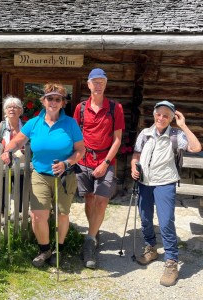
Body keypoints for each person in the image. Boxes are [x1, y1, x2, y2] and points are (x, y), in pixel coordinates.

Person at [1, 83, 85, 267]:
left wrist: (66, 163)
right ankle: (44, 249)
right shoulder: (34, 123)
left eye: (58, 99)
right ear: (43, 101)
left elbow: (80, 150)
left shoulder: (70, 124)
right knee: (38, 215)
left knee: (62, 214)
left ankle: (59, 249)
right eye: (50, 98)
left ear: (63, 103)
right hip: (40, 174)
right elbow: (17, 141)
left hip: (64, 175)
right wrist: (7, 151)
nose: (53, 102)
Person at [131, 100, 201, 287]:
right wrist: (133, 167)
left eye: (166, 115)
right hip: (144, 182)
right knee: (145, 219)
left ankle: (171, 262)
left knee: (166, 222)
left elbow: (196, 148)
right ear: (154, 114)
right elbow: (136, 154)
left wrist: (183, 125)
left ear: (171, 118)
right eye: (158, 114)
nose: (161, 118)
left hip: (165, 184)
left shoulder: (177, 135)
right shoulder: (145, 134)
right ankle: (151, 249)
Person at [73, 68, 124, 269]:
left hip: (106, 160)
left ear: (106, 84)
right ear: (88, 84)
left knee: (102, 201)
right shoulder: (80, 108)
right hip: (84, 161)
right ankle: (94, 232)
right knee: (89, 199)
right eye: (95, 81)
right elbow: (75, 134)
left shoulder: (115, 108)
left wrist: (105, 163)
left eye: (102, 81)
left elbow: (117, 139)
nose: (98, 84)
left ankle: (90, 241)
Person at [0, 95, 25, 214]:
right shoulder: (0, 127)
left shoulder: (26, 127)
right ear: (5, 111)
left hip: (22, 166)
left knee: (21, 193)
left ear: (20, 110)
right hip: (3, 165)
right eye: (9, 107)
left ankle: (19, 216)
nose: (12, 109)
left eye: (15, 107)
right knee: (2, 193)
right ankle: (3, 217)